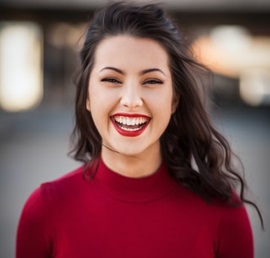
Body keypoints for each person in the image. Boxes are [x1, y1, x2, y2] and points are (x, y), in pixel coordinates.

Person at [16, 1, 263, 258]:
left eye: (152, 81)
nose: (131, 100)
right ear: (87, 95)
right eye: (112, 79)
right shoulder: (44, 211)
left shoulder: (224, 213)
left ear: (175, 99)